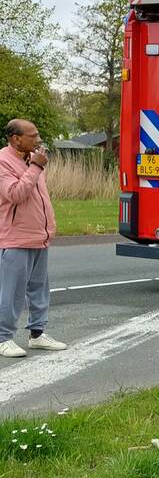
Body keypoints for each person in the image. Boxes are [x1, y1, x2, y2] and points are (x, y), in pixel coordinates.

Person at [0, 119, 67, 358]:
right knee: (12, 291)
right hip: (15, 238)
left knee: (39, 289)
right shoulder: (3, 161)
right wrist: (36, 167)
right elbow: (15, 195)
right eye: (33, 136)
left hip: (39, 236)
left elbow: (39, 196)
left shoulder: (31, 160)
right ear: (16, 138)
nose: (38, 140)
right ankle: (3, 338)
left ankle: (38, 334)